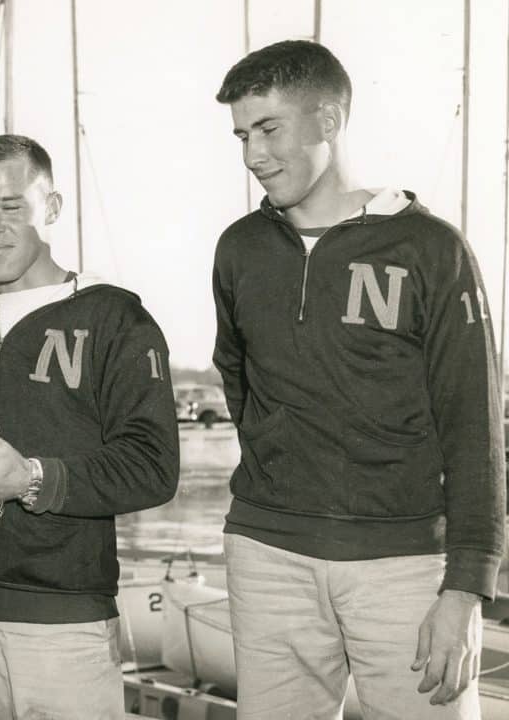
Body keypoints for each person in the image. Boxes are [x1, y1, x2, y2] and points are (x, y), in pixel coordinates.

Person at [212, 40, 505, 719]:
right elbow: (240, 382)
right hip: (267, 557)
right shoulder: (240, 248)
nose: (253, 155)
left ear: (329, 120)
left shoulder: (430, 248)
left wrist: (465, 588)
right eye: (241, 135)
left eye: (268, 129)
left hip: (400, 567)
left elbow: (473, 424)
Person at [0, 134, 180, 719]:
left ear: (52, 208)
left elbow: (153, 468)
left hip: (59, 622)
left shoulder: (115, 316)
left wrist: (31, 479)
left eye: (11, 206)